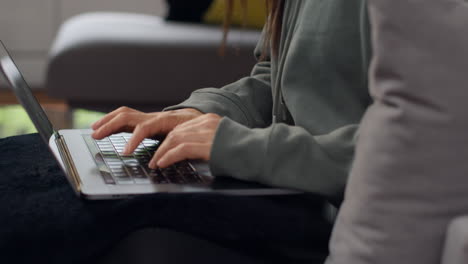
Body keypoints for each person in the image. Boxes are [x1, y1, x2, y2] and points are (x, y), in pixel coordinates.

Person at [0, 0, 371, 263]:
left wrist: (238, 146)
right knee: (20, 161)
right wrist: (197, 113)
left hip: (330, 210)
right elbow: (274, 78)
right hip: (282, 177)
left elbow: (412, 151)